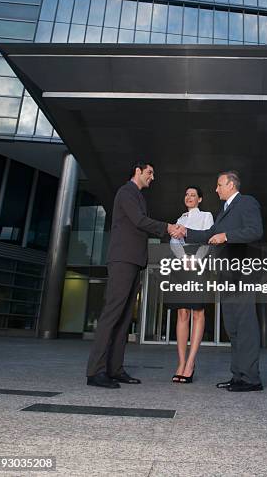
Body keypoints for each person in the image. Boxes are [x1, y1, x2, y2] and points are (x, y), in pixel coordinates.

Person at [86, 161, 184, 389]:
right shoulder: (126, 192)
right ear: (137, 171)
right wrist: (169, 227)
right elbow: (139, 221)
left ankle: (115, 369)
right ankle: (95, 371)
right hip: (122, 259)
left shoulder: (138, 196)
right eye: (150, 172)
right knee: (112, 314)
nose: (153, 177)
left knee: (124, 318)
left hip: (134, 261)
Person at [179, 171, 264, 392]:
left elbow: (255, 231)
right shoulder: (224, 212)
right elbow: (209, 233)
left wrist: (227, 237)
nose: (216, 190)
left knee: (245, 327)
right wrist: (185, 232)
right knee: (233, 328)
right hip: (226, 276)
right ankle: (239, 376)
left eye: (219, 185)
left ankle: (252, 379)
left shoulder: (247, 202)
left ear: (231, 184)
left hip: (242, 274)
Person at [168, 186, 213, 384]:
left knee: (198, 313)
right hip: (180, 266)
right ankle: (180, 362)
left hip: (199, 266)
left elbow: (208, 240)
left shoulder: (206, 216)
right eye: (186, 194)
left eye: (193, 195)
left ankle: (191, 363)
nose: (189, 197)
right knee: (182, 313)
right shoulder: (180, 219)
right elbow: (173, 242)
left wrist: (195, 260)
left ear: (200, 199)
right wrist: (183, 258)